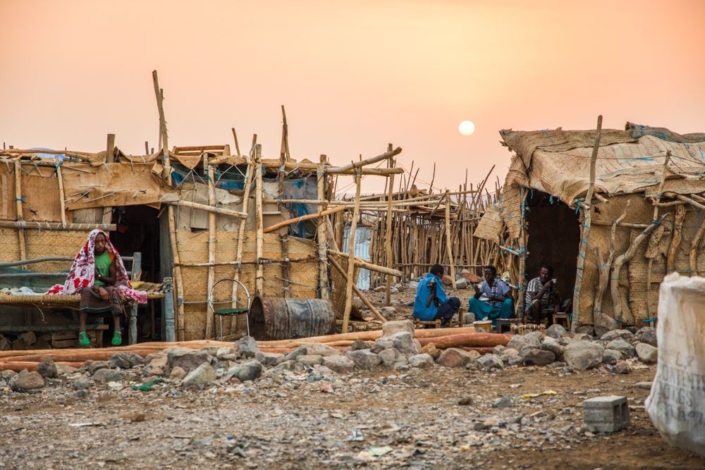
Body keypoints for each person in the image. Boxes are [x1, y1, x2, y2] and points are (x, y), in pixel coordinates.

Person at [48, 229, 147, 347]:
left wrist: (98, 276)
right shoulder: (85, 257)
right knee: (85, 292)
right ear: (92, 243)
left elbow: (113, 280)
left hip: (106, 286)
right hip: (90, 287)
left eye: (102, 241)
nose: (100, 244)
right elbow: (82, 280)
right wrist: (98, 288)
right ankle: (82, 332)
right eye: (97, 242)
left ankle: (117, 330)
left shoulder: (110, 256)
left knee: (114, 292)